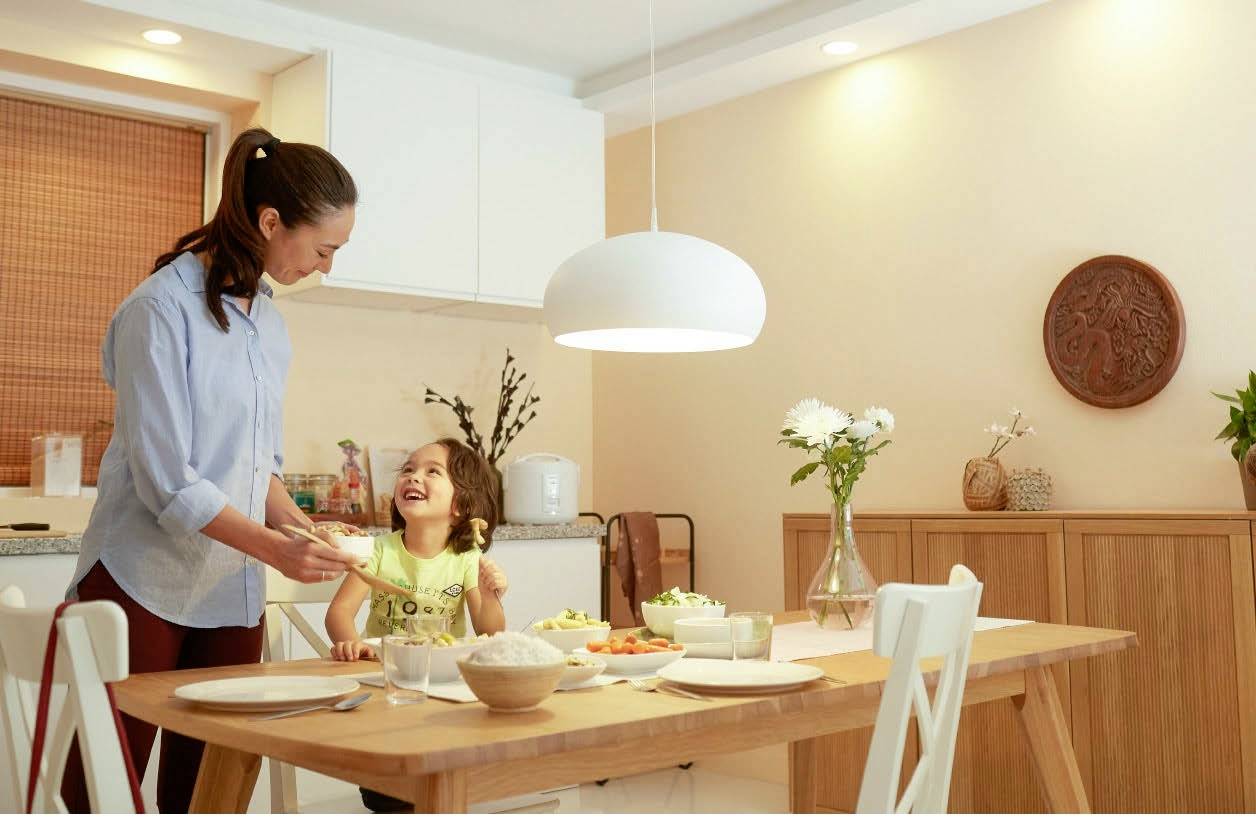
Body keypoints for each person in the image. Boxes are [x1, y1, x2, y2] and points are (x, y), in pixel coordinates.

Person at [61, 127, 361, 813]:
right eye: (324, 249)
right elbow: (168, 478)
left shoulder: (271, 325)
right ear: (269, 222)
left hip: (230, 589)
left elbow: (258, 468)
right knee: (100, 790)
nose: (326, 267)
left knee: (210, 793)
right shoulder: (158, 311)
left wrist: (300, 528)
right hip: (143, 580)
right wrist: (271, 546)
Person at [326, 438, 509, 657]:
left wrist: (490, 598)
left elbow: (489, 633)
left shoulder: (468, 558)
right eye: (408, 469)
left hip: (441, 670)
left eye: (433, 471)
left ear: (461, 504)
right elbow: (339, 612)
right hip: (381, 668)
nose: (413, 476)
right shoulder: (377, 550)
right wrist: (355, 645)